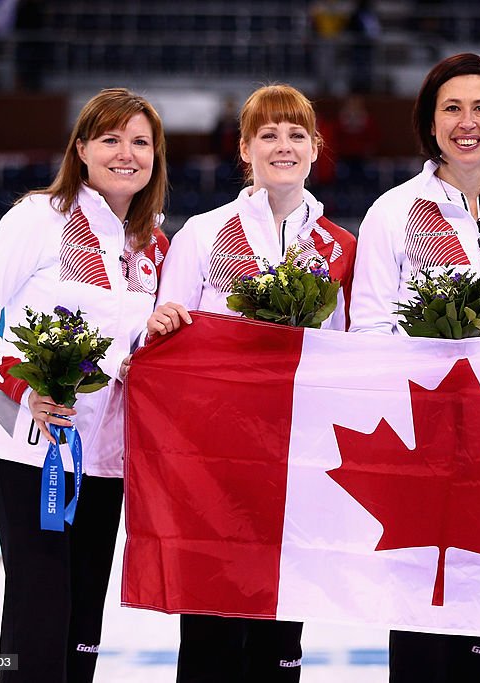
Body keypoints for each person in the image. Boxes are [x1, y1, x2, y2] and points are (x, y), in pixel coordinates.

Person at [348, 52, 480, 682]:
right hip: (423, 437)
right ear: (430, 121)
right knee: (419, 619)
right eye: (451, 108)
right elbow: (368, 327)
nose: (466, 122)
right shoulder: (396, 210)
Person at [0, 87, 169, 682]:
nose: (128, 153)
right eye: (111, 139)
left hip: (106, 460)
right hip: (31, 449)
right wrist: (24, 385)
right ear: (82, 148)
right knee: (39, 616)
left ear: (156, 157)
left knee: (82, 629)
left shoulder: (151, 247)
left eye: (141, 142)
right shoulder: (40, 217)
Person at [145, 83, 356, 683]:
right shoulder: (204, 234)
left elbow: (343, 356)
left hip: (295, 462)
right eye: (268, 134)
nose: (282, 146)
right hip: (215, 463)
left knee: (280, 627)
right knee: (212, 629)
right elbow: (165, 350)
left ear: (316, 148)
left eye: (296, 135)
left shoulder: (339, 246)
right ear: (245, 148)